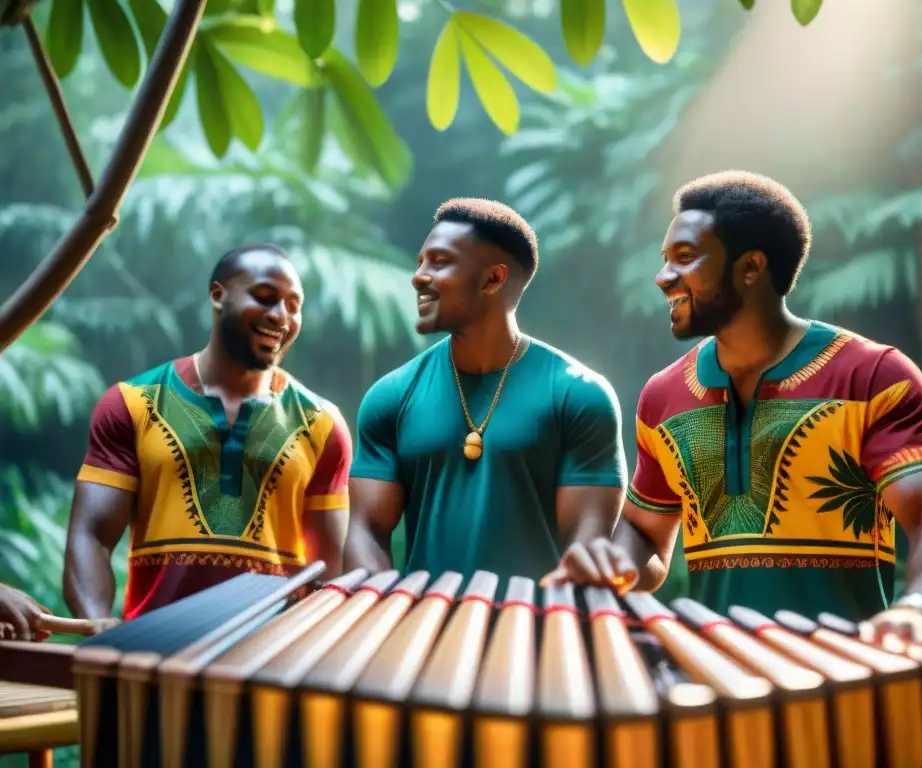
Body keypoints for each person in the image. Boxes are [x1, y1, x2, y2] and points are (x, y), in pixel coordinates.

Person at [543, 170, 922, 651]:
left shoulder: (873, 375)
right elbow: (645, 533)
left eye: (684, 258)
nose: (663, 277)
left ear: (751, 267)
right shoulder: (662, 396)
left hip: (849, 690)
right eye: (665, 259)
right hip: (724, 693)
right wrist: (615, 566)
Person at [344, 198, 627, 592]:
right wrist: (384, 611)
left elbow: (586, 542)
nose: (418, 276)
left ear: (493, 279)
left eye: (439, 262)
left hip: (537, 637)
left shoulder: (578, 394)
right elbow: (365, 530)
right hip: (422, 637)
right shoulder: (391, 396)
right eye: (420, 261)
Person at [64, 243, 351, 622]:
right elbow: (92, 537)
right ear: (218, 296)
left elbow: (328, 573)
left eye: (294, 306)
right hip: (152, 661)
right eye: (265, 297)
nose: (281, 316)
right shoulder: (132, 404)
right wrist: (98, 625)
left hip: (268, 667)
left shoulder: (322, 424)